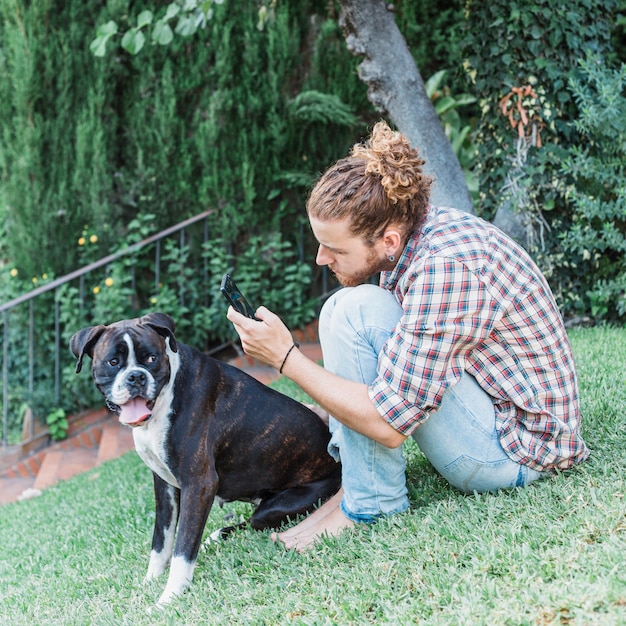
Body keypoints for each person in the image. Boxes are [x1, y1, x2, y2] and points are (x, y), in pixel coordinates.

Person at [226, 120, 589, 552]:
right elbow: (396, 370)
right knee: (346, 309)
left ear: (388, 239)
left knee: (352, 311)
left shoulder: (444, 267)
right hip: (493, 407)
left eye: (335, 249)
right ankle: (358, 489)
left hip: (516, 453)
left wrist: (286, 358)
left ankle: (370, 503)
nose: (322, 258)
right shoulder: (413, 244)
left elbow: (389, 423)